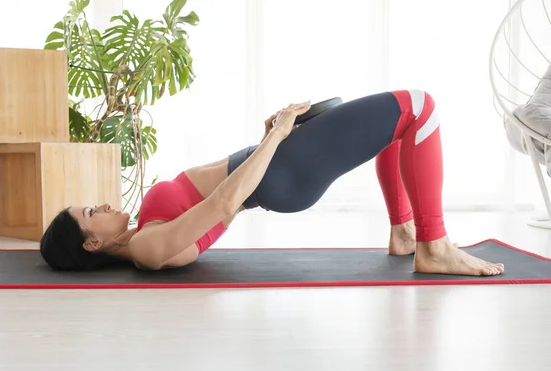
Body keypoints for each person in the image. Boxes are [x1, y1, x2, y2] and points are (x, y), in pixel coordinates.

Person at [40, 90, 505, 276]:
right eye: (89, 214)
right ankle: (434, 246)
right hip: (282, 177)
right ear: (93, 244)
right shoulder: (146, 249)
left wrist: (266, 139)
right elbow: (224, 204)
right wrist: (280, 135)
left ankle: (406, 233)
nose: (99, 205)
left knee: (391, 133)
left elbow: (225, 186)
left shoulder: (143, 228)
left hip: (273, 164)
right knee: (418, 108)